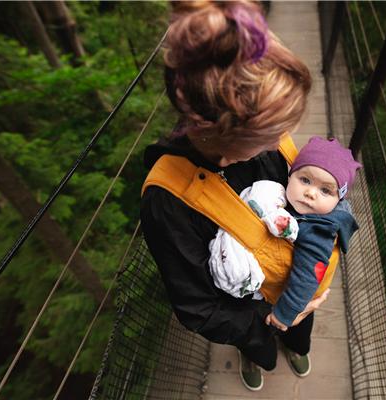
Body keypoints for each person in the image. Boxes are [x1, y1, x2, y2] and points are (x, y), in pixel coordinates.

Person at [140, 0, 332, 392]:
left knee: (300, 332)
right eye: (269, 135)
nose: (281, 140)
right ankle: (257, 355)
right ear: (228, 144)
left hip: (295, 280)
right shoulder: (167, 201)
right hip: (248, 313)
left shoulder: (267, 144)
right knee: (259, 345)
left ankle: (296, 346)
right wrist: (272, 317)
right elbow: (198, 308)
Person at [208, 137, 361, 335]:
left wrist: (285, 314)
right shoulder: (294, 204)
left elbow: (307, 275)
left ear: (337, 200)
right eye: (305, 180)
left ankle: (298, 350)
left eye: (325, 190)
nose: (310, 193)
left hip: (295, 299)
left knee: (296, 334)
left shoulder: (318, 231)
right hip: (283, 288)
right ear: (290, 176)